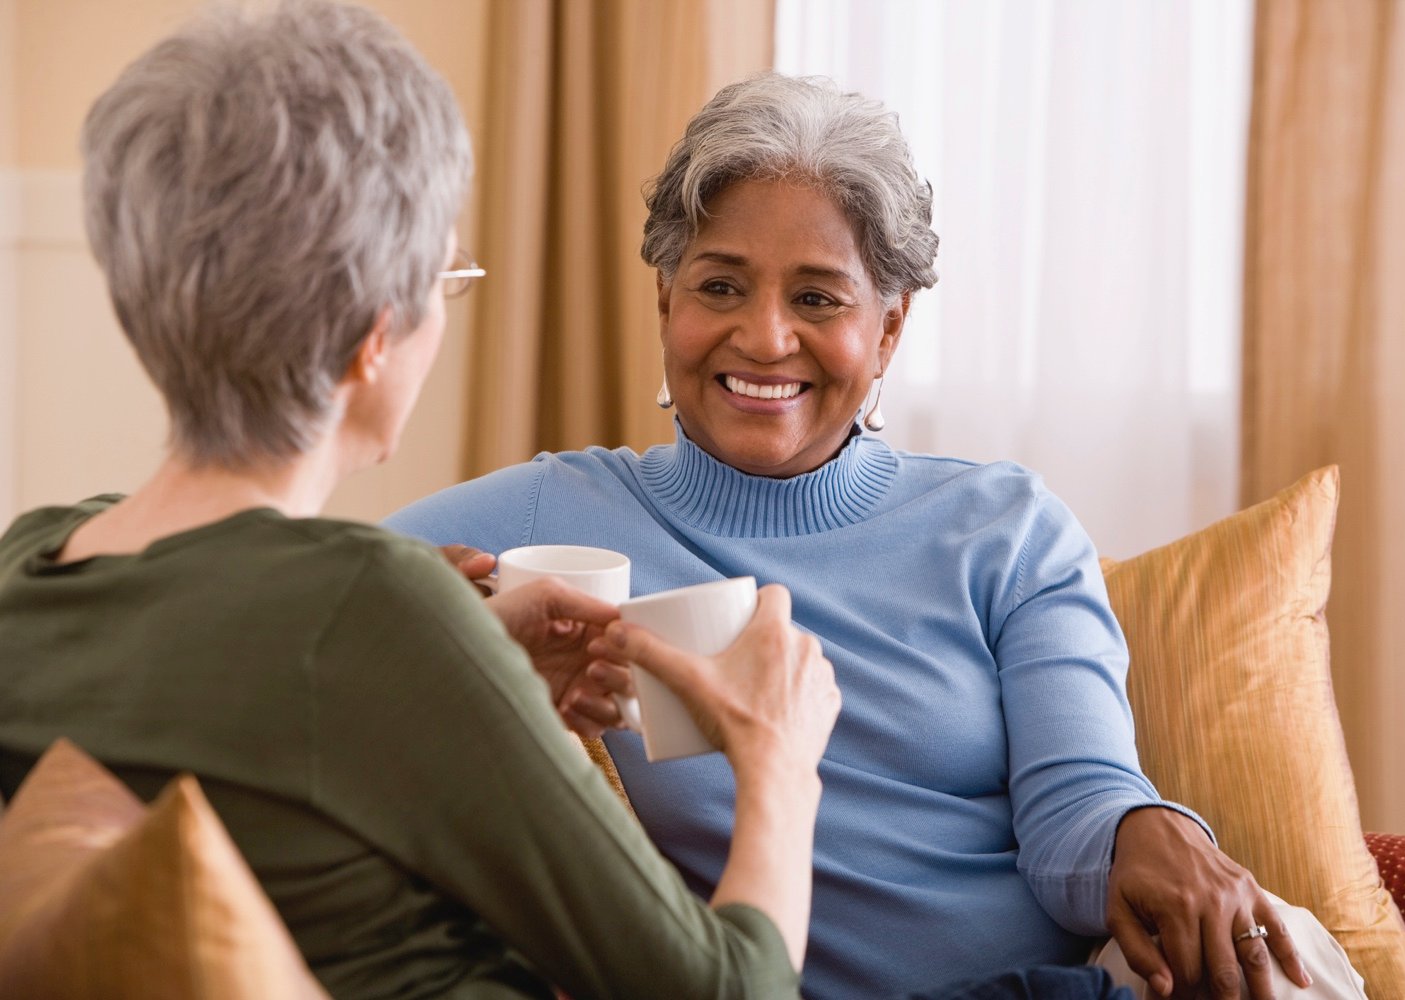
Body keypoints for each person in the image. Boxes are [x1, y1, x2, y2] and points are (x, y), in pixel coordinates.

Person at [388, 74, 1366, 1000]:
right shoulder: (548, 517)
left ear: (890, 329)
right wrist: (385, 611)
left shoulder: (1009, 531)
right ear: (665, 300)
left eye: (818, 297)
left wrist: (1146, 829)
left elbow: (1078, 809)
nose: (766, 337)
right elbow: (272, 592)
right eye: (720, 286)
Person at [0, 7, 844, 999]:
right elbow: (730, 988)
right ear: (371, 338)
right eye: (447, 278)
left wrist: (471, 667)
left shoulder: (31, 568)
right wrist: (780, 761)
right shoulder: (376, 607)